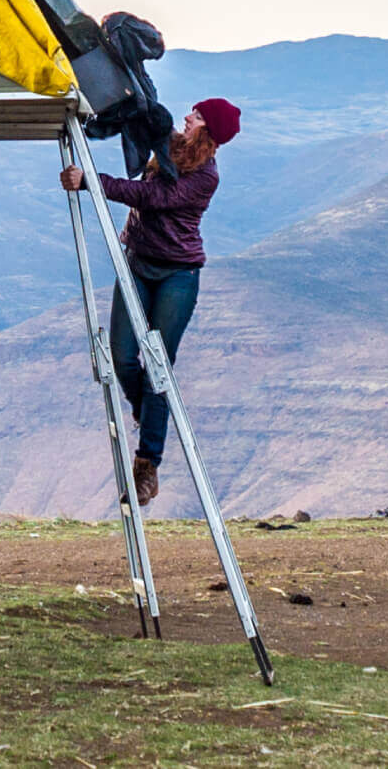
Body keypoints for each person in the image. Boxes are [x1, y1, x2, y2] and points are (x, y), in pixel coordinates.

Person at [61, 97, 241, 506]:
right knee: (123, 355)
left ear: (207, 130)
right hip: (139, 264)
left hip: (177, 275)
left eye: (196, 115)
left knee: (158, 361)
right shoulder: (166, 148)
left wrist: (91, 179)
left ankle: (147, 465)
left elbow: (153, 198)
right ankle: (148, 409)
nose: (187, 116)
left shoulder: (205, 176)